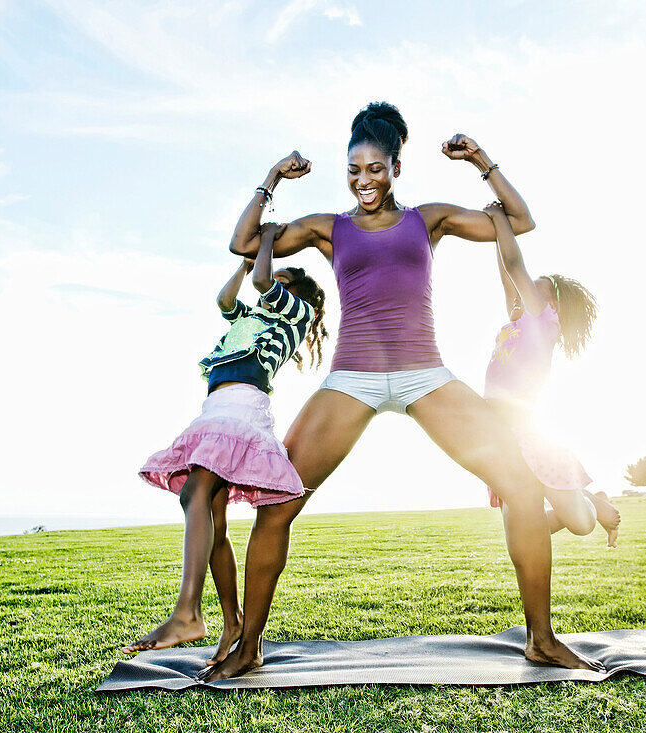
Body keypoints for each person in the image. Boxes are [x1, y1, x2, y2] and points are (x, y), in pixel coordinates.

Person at [200, 102, 601, 681]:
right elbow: (244, 244)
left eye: (376, 168)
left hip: (424, 373)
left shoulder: (427, 219)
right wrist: (272, 179)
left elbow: (519, 219)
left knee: (520, 486)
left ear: (395, 167)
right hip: (352, 377)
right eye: (354, 169)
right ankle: (249, 644)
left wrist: (480, 160)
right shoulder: (328, 228)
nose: (364, 180)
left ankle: (541, 638)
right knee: (276, 505)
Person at [124, 223, 327, 664]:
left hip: (241, 408)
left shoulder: (296, 314)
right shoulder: (251, 317)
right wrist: (245, 260)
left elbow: (262, 282)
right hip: (214, 409)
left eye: (281, 281)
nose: (269, 284)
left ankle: (187, 612)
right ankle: (230, 621)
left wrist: (266, 243)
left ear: (296, 293)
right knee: (210, 517)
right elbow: (226, 300)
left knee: (195, 493)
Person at [482, 201, 621, 547]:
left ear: (553, 306)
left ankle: (592, 502)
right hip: (500, 433)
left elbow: (515, 266)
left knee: (580, 524)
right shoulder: (518, 320)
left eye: (535, 287)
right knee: (520, 535)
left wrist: (500, 219)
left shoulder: (544, 323)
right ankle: (587, 501)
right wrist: (498, 232)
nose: (524, 288)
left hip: (532, 435)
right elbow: (506, 271)